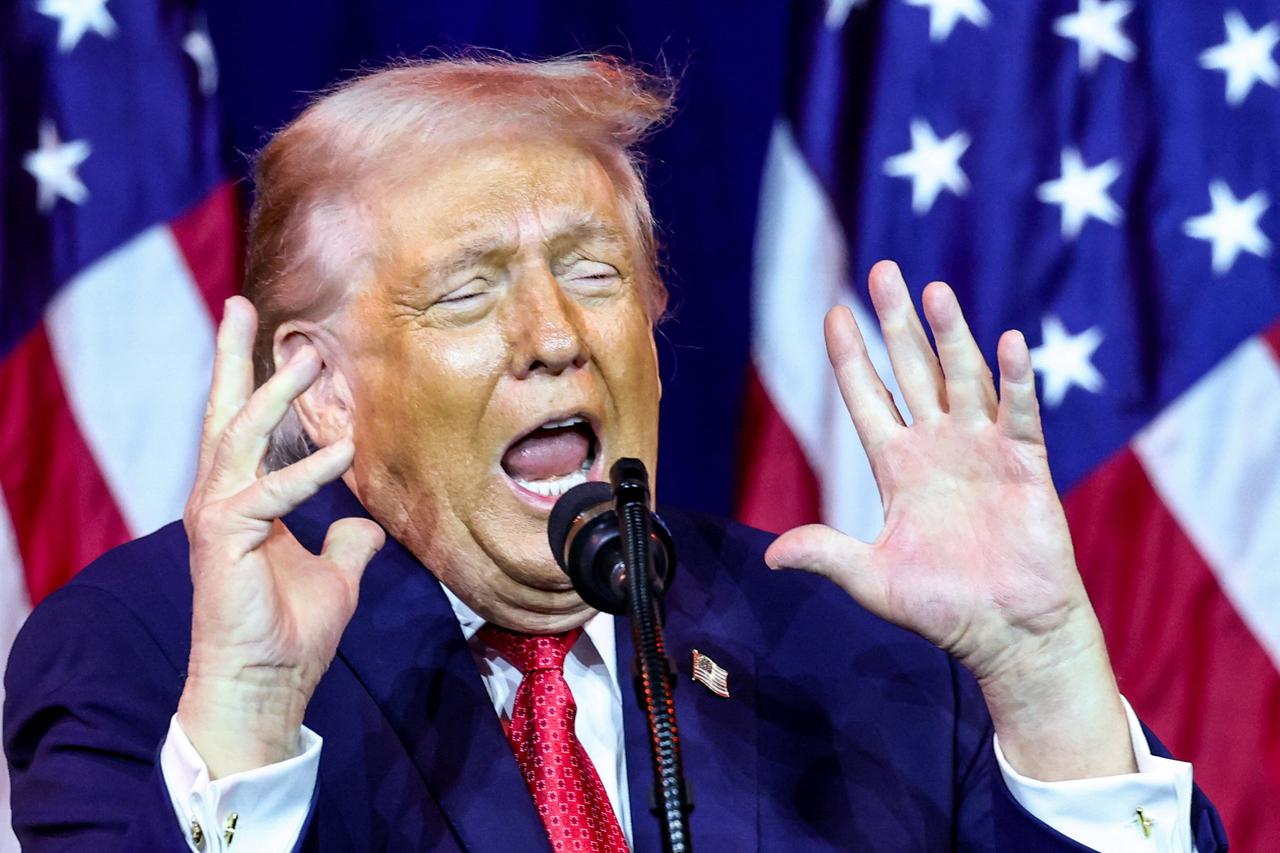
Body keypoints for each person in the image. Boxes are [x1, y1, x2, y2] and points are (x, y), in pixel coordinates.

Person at [5, 56, 1226, 852]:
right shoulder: (153, 652)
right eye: (468, 295)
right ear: (320, 390)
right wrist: (251, 720)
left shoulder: (855, 650)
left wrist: (1047, 680)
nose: (553, 338)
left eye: (593, 274)